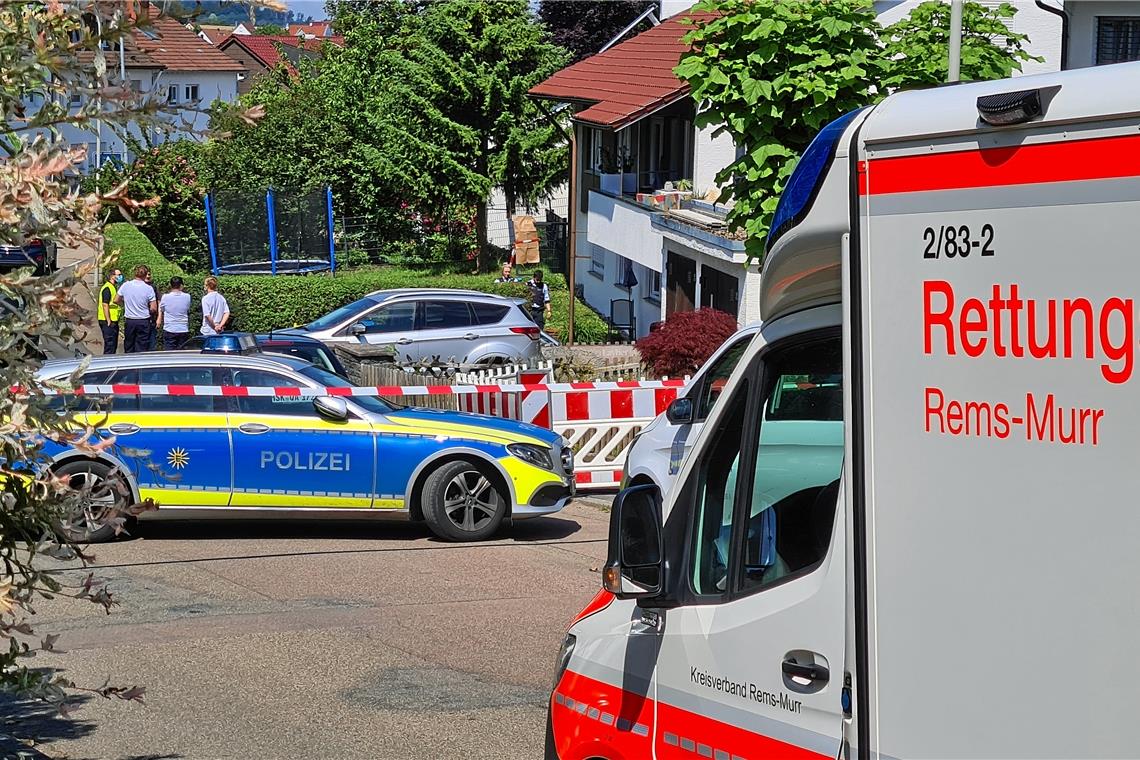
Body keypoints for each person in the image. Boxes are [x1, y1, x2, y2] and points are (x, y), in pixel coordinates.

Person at [115, 265, 156, 353]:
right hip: (143, 320)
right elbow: (153, 308)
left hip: (130, 320)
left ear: (134, 273)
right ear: (145, 275)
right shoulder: (149, 289)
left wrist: (125, 304)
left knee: (129, 345)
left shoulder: (126, 285)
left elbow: (116, 300)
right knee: (142, 346)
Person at [157, 276, 191, 350]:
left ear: (170, 285)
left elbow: (161, 308)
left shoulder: (165, 297)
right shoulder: (187, 297)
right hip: (183, 328)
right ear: (181, 285)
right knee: (182, 353)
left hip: (170, 328)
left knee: (169, 354)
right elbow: (187, 308)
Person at [97, 268, 123, 355]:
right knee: (110, 345)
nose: (120, 277)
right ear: (112, 276)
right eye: (118, 275)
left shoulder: (112, 287)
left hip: (112, 320)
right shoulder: (107, 288)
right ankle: (106, 364)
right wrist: (108, 320)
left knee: (112, 345)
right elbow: (105, 305)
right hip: (107, 321)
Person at [144, 270, 159, 350]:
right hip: (142, 319)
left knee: (152, 343)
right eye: (146, 274)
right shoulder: (139, 287)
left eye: (149, 274)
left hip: (152, 319)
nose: (148, 276)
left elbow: (158, 302)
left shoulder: (153, 287)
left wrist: (159, 317)